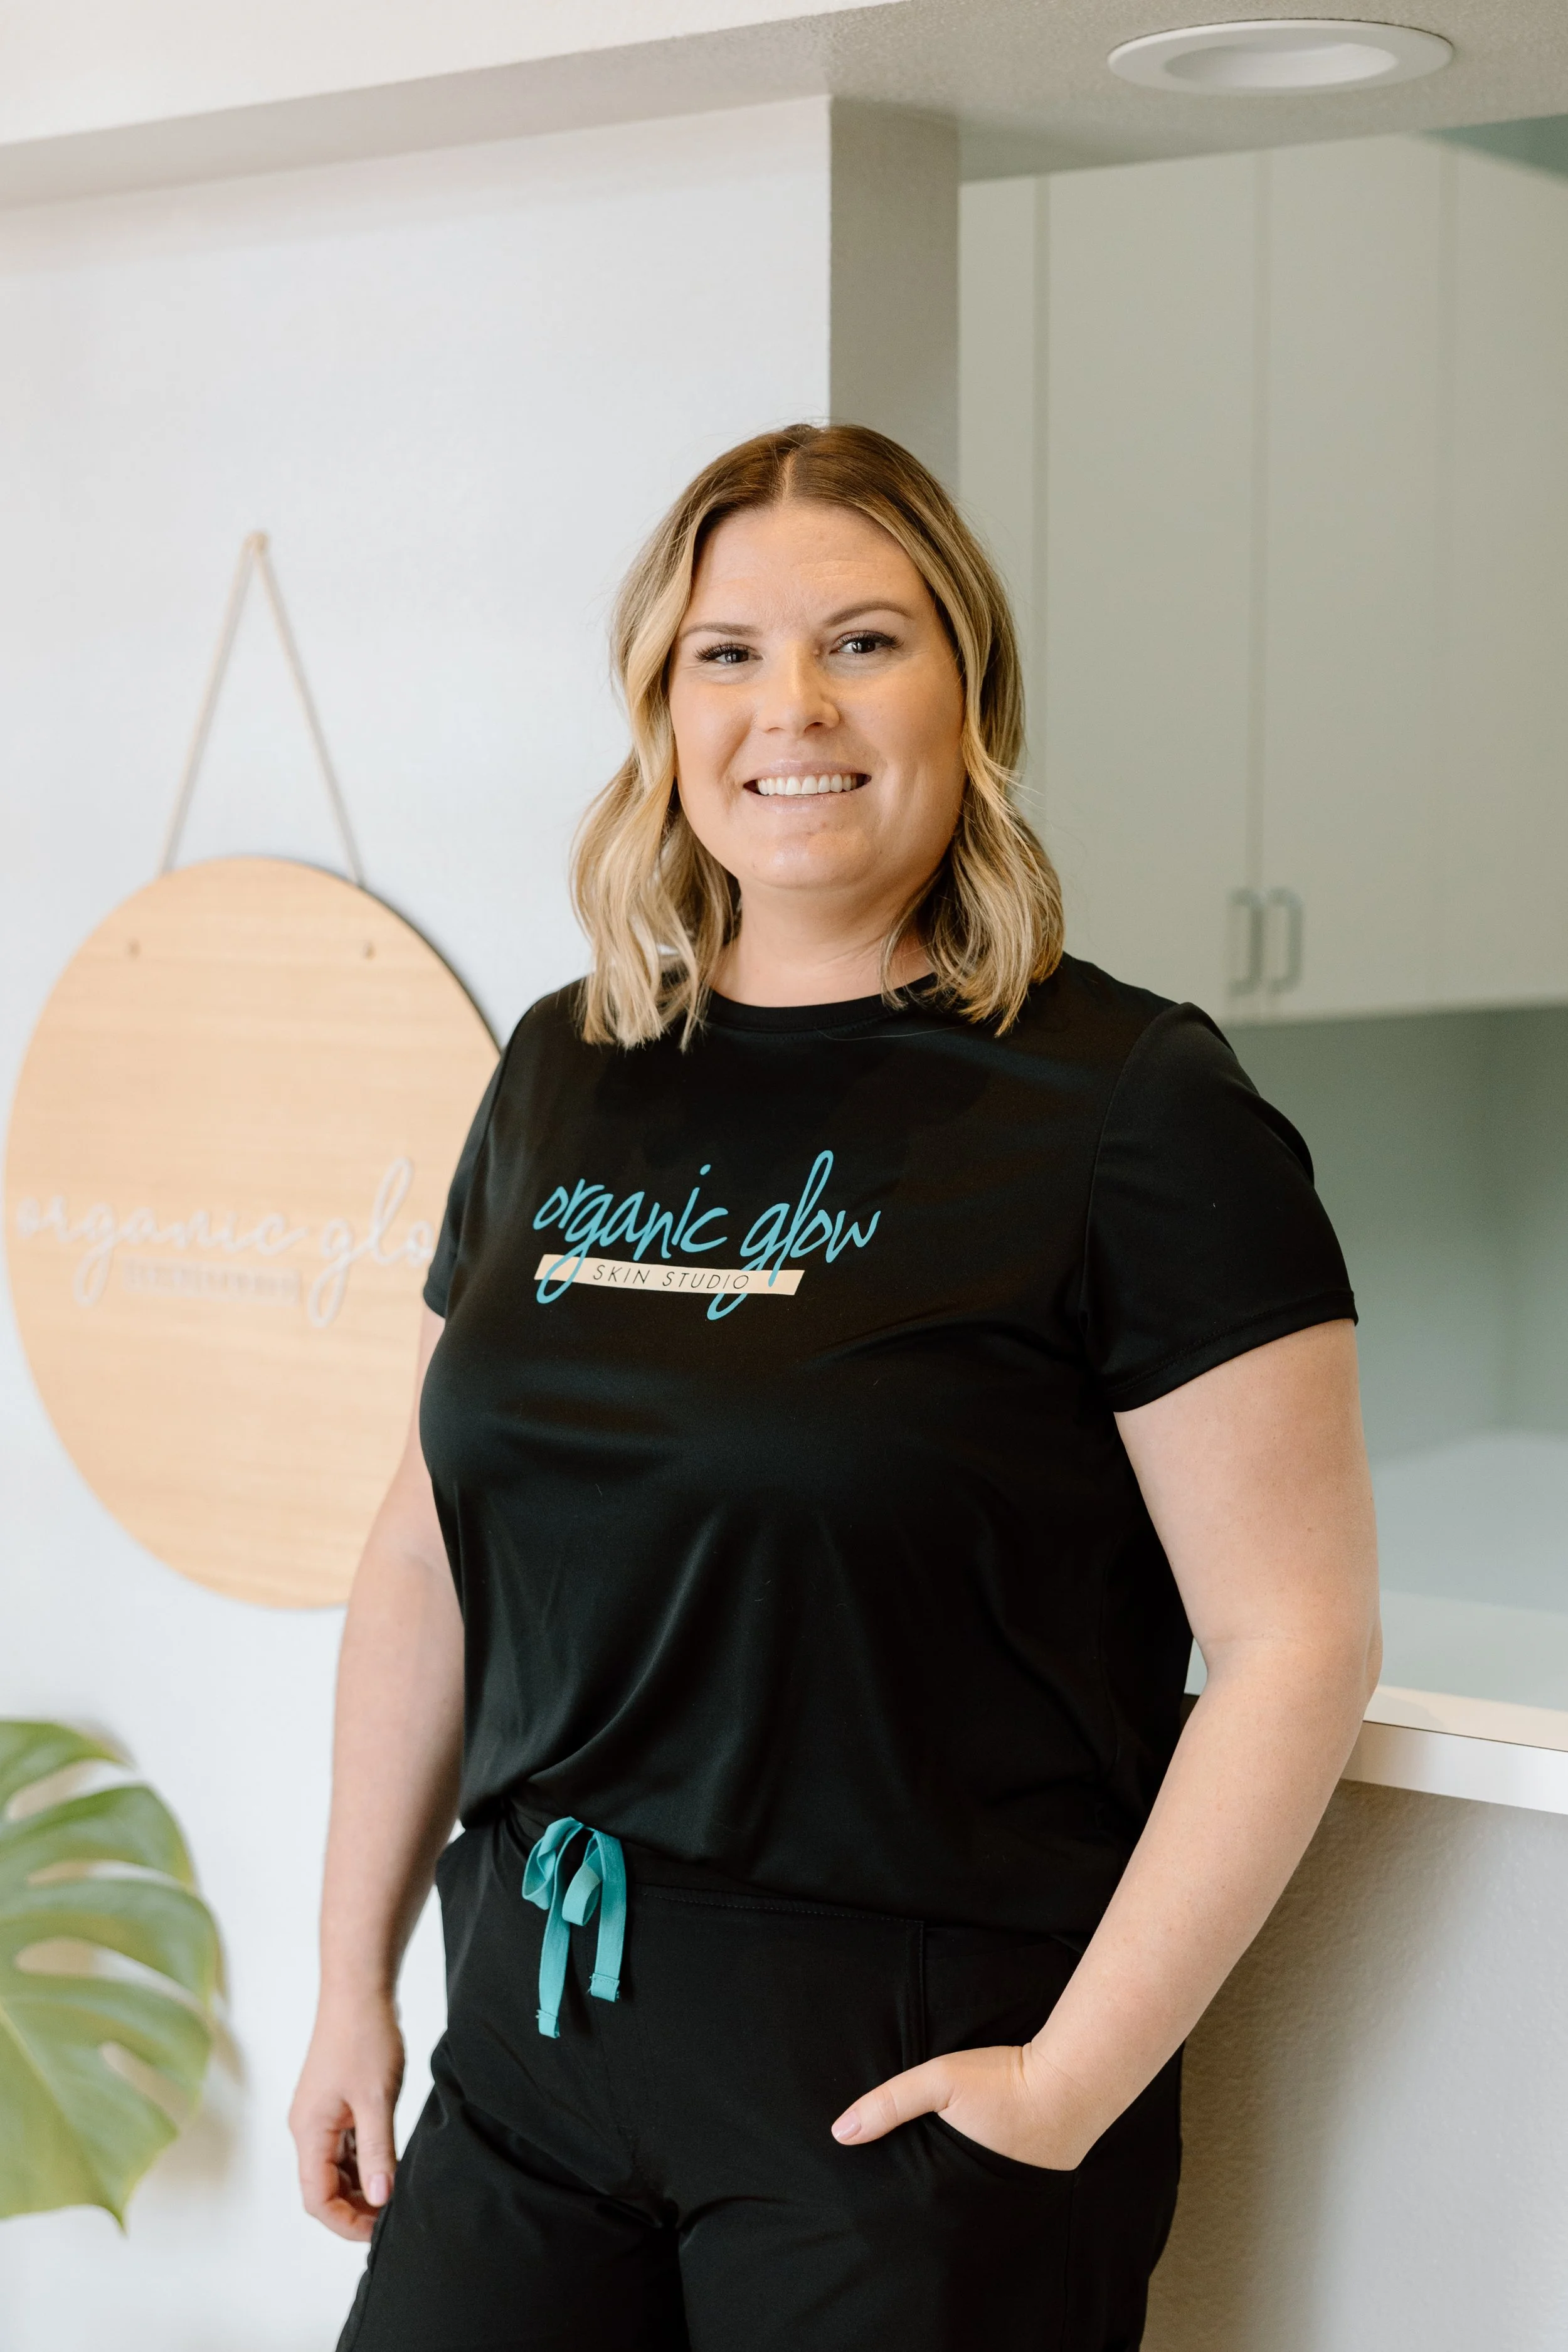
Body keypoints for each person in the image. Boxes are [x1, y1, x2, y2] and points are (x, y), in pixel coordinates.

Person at [290, 422, 1380, 2352]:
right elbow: (423, 1552)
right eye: (726, 652)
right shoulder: (565, 1067)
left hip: (905, 2081)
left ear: (968, 690)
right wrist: (348, 1980)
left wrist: (1064, 2087)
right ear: (664, 709)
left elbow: (1296, 1636)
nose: (789, 704)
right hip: (537, 2028)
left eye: (861, 641)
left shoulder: (1129, 1102)